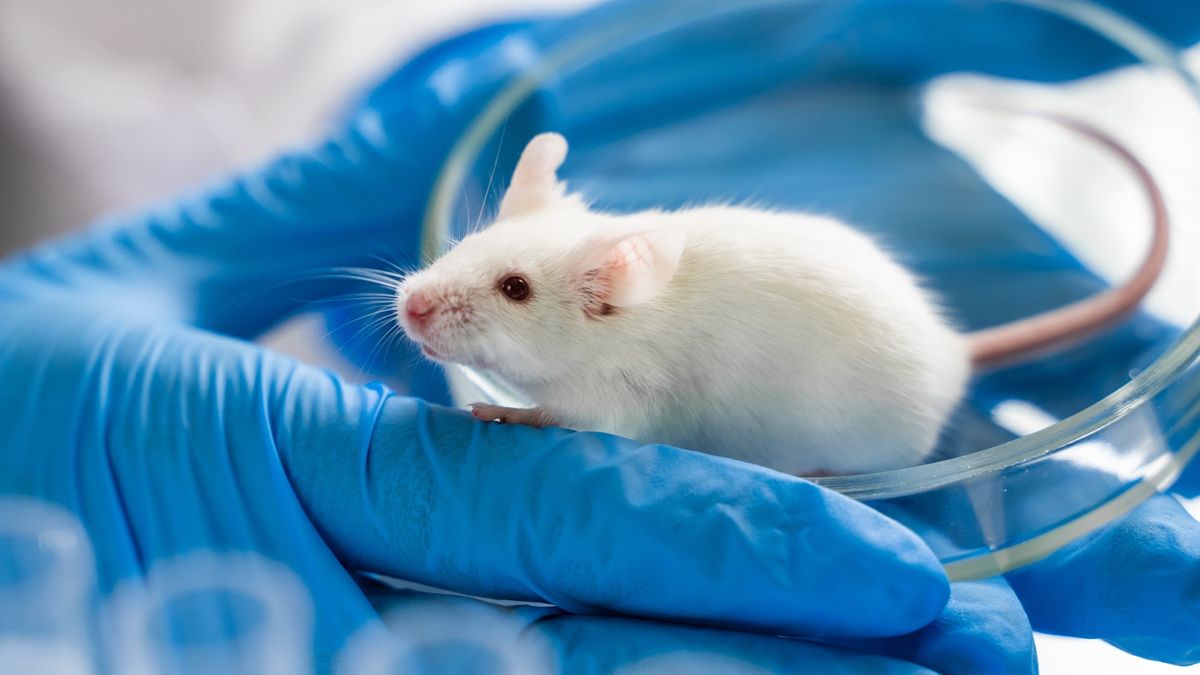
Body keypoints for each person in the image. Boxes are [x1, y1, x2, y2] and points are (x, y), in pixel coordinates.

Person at [1, 2, 1197, 673]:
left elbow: (627, 408)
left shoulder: (622, 325)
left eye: (508, 292)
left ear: (608, 291)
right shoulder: (586, 278)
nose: (426, 301)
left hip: (869, 409)